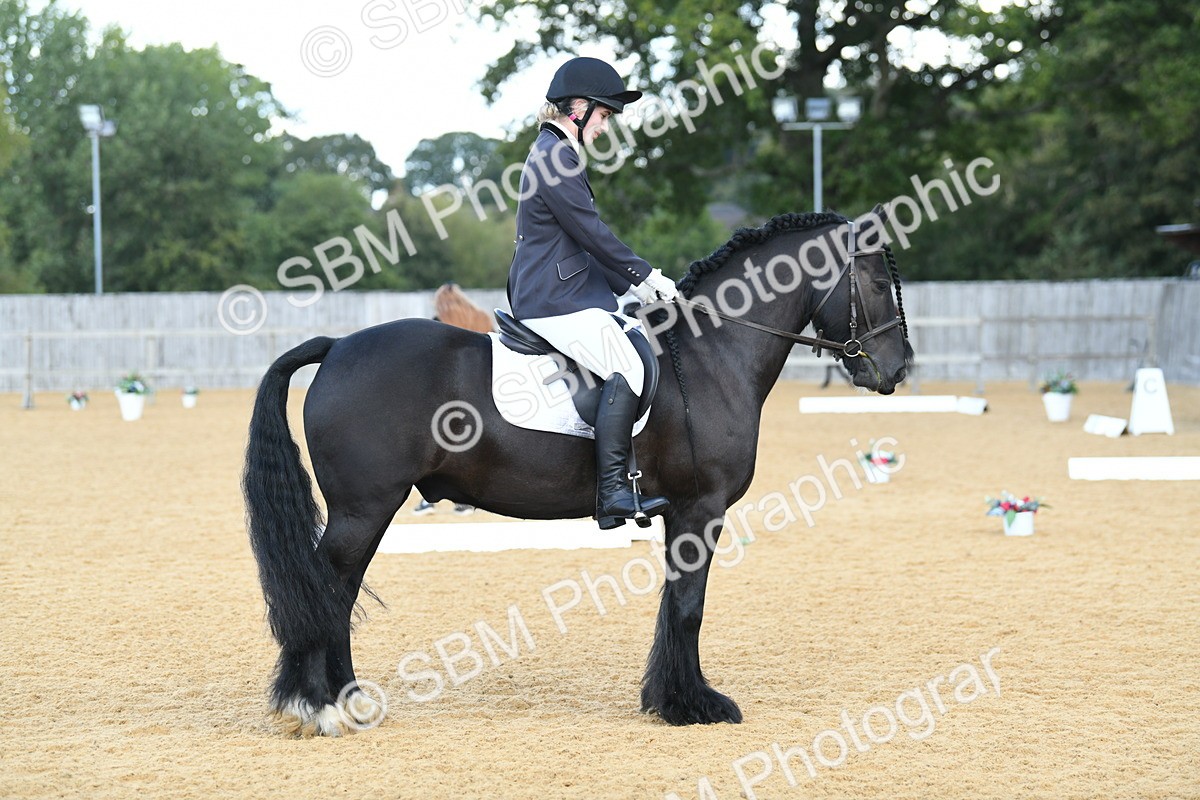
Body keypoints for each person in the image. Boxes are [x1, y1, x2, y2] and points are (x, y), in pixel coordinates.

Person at [507, 56, 679, 529]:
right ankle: (614, 494)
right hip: (552, 299)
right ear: (578, 108)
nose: (604, 126)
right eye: (603, 115)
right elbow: (590, 232)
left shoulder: (555, 152)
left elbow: (582, 241)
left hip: (569, 289)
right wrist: (646, 277)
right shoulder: (556, 155)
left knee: (633, 341)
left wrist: (631, 289)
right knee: (625, 365)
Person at [414, 283, 494, 516]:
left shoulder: (437, 322)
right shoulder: (481, 318)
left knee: (430, 447)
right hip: (481, 390)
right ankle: (466, 501)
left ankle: (428, 502)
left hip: (446, 392)